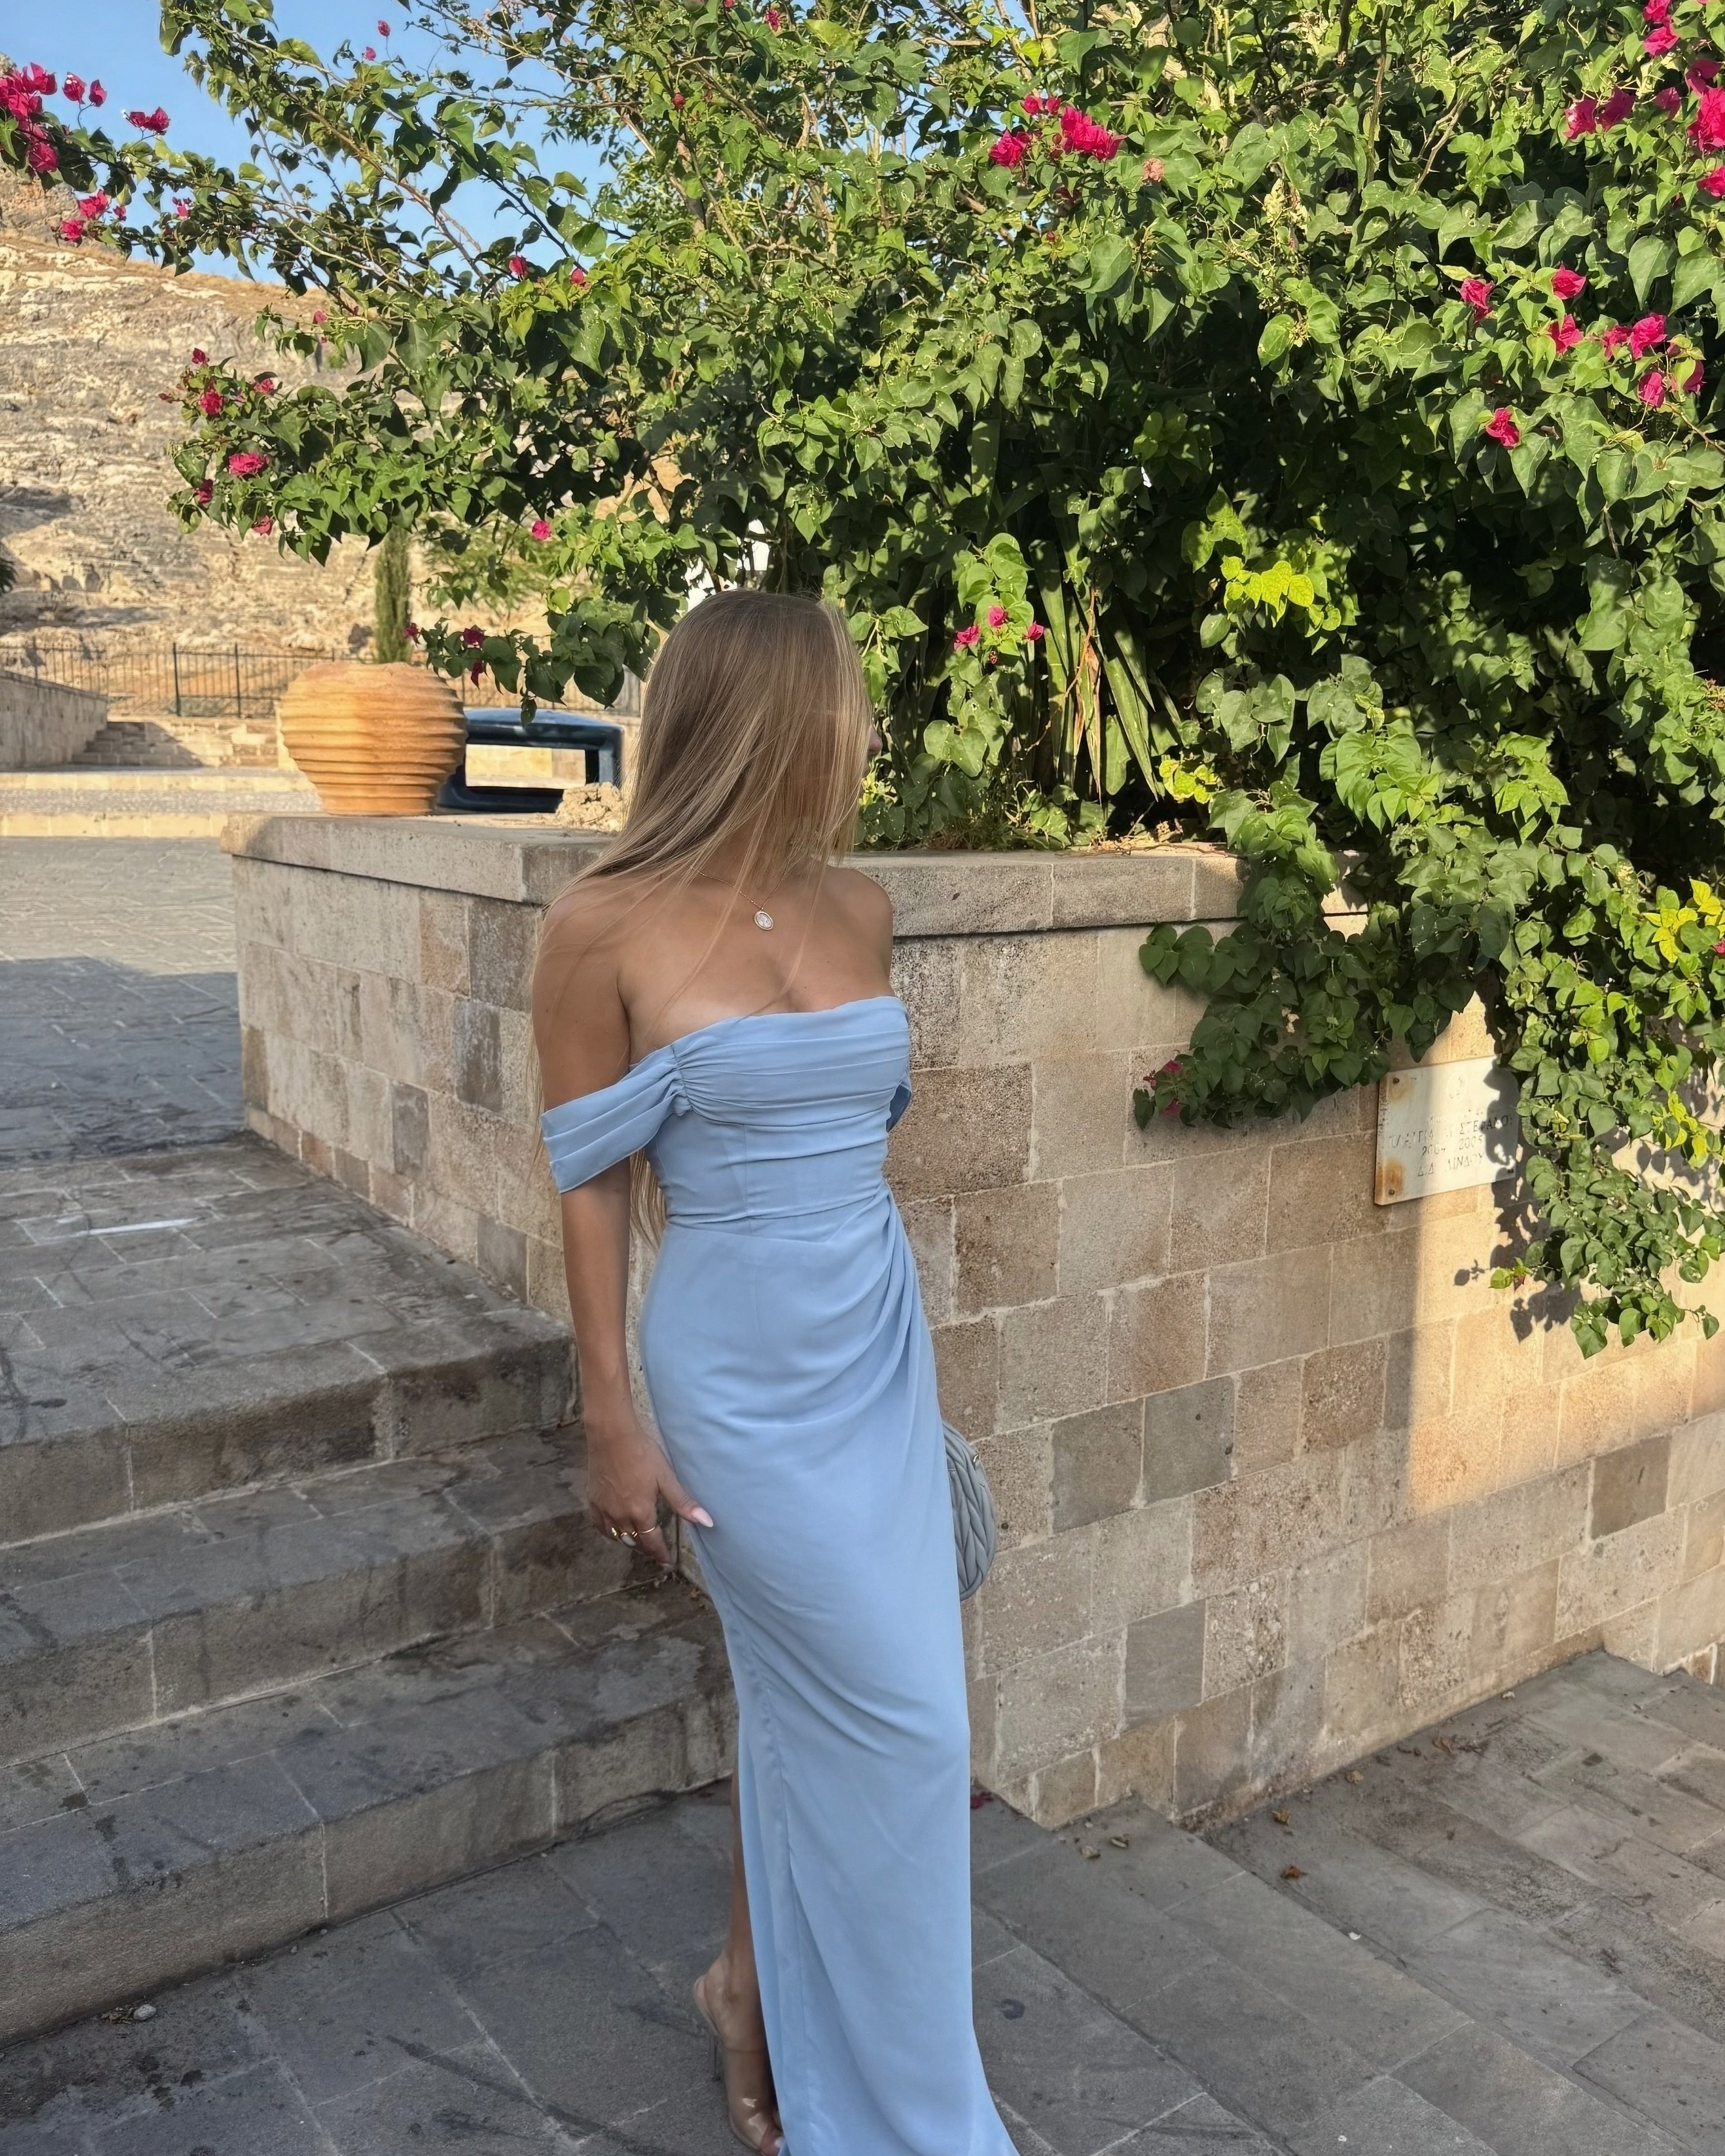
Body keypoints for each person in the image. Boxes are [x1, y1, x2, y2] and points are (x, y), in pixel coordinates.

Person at [531, 591, 1017, 2156]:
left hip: (873, 1344)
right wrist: (614, 1415)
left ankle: (749, 1988)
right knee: (910, 1730)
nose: (860, 734)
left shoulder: (859, 907)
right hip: (732, 1372)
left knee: (833, 1716)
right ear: (767, 718)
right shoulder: (597, 926)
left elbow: (860, 1131)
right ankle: (913, 2121)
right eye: (842, 708)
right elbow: (591, 1182)